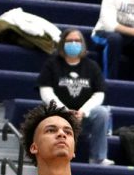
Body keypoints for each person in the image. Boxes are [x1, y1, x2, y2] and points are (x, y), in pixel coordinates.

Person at [38, 28, 114, 166]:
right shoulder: (52, 64)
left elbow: (99, 94)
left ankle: (98, 158)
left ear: (82, 44)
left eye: (77, 41)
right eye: (70, 41)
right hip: (58, 114)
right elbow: (46, 92)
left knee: (102, 113)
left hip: (82, 116)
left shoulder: (91, 66)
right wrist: (65, 111)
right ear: (63, 43)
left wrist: (83, 111)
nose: (74, 43)